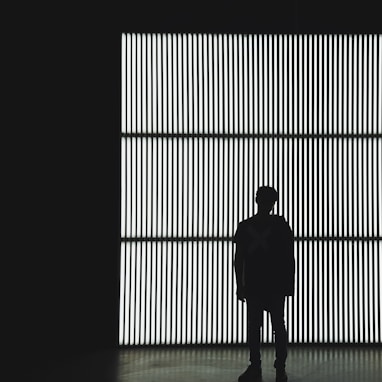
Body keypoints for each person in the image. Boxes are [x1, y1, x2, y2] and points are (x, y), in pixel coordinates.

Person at [233, 186, 295, 382]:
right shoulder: (280, 226)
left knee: (254, 326)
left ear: (256, 200)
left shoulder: (245, 226)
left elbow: (239, 259)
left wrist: (240, 285)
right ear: (273, 203)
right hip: (275, 284)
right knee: (278, 324)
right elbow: (288, 258)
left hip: (254, 284)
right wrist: (288, 284)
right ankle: (280, 367)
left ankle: (255, 365)